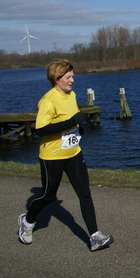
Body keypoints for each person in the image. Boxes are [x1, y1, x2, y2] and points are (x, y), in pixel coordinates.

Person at [17, 59, 114, 252]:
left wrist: (80, 127)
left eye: (73, 77)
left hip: (73, 153)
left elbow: (74, 117)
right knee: (48, 196)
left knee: (84, 193)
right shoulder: (48, 100)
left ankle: (94, 236)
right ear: (57, 77)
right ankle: (27, 221)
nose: (72, 80)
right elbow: (41, 130)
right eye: (68, 77)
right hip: (52, 156)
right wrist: (71, 122)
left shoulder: (71, 95)